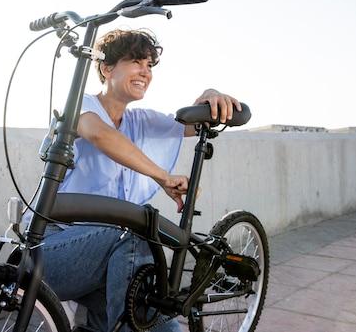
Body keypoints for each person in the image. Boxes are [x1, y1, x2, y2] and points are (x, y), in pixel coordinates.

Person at [39, 28, 241, 332]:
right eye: (136, 62)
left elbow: (195, 123)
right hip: (52, 250)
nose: (145, 72)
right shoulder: (81, 104)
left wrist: (211, 94)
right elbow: (100, 134)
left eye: (149, 65)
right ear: (106, 68)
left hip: (105, 262)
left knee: (157, 321)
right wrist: (162, 176)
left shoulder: (142, 121)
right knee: (135, 230)